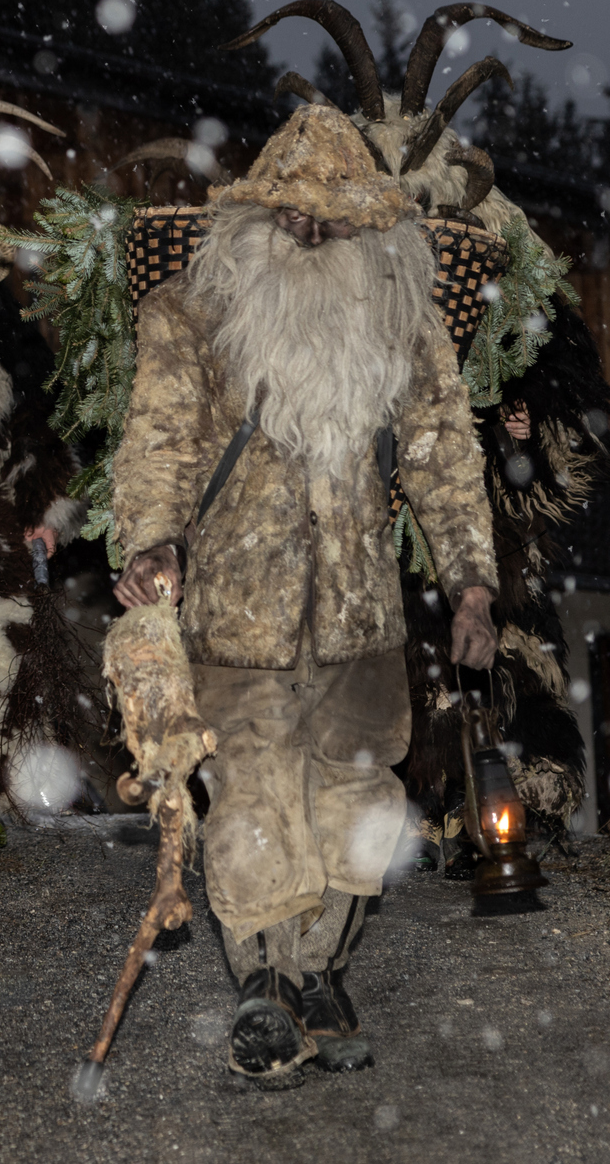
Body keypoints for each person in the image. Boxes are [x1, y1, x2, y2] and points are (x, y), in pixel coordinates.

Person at [108, 103, 499, 1082]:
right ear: (258, 218)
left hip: (358, 621)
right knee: (247, 803)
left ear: (373, 229)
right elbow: (158, 439)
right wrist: (152, 542)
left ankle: (318, 973)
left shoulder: (402, 333)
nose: (313, 233)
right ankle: (263, 986)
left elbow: (442, 455)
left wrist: (470, 586)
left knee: (353, 808)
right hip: (232, 619)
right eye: (295, 216)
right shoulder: (188, 317)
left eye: (336, 219)